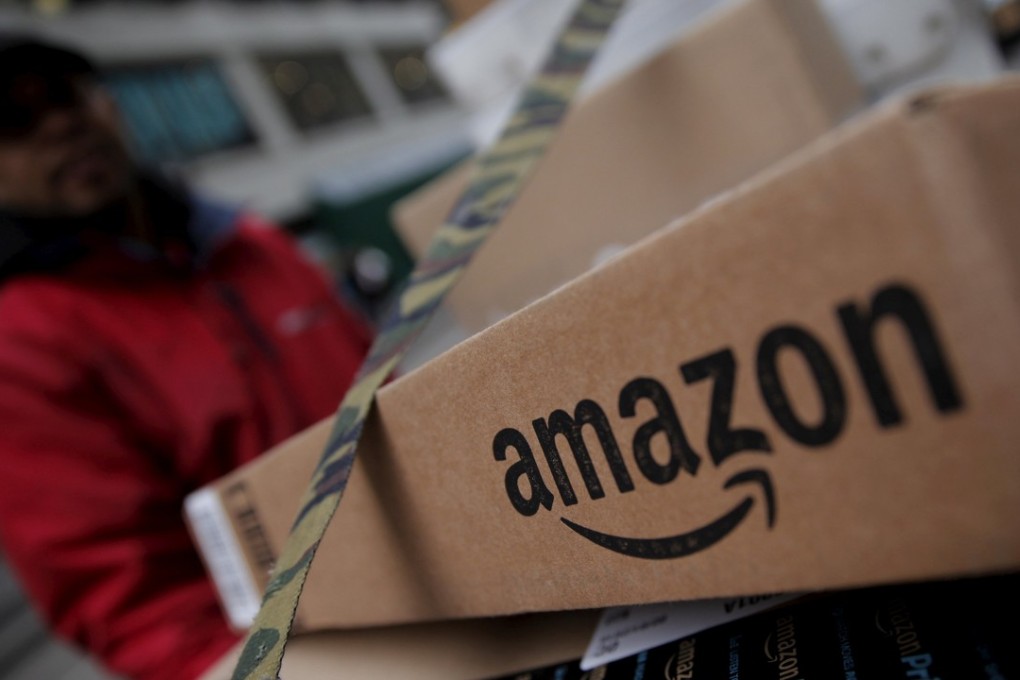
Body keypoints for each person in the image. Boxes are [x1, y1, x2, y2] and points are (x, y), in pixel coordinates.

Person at [0, 34, 374, 680]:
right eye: (13, 120)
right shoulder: (21, 342)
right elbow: (133, 603)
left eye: (66, 97)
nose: (60, 125)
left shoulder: (250, 244)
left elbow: (388, 392)